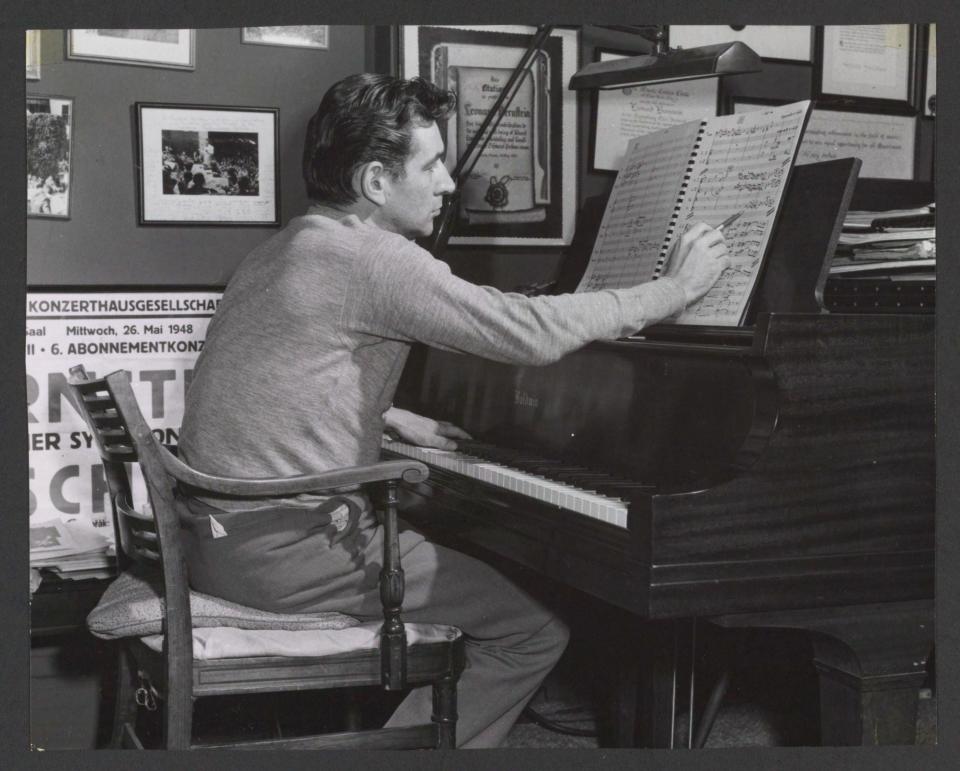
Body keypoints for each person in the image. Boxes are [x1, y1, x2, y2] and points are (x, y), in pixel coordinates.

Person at [177, 73, 729, 748]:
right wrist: (671, 290)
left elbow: (273, 383)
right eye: (432, 165)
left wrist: (382, 418)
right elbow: (527, 332)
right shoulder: (376, 259)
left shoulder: (287, 246)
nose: (446, 184)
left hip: (220, 537)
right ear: (377, 181)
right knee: (533, 629)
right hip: (286, 550)